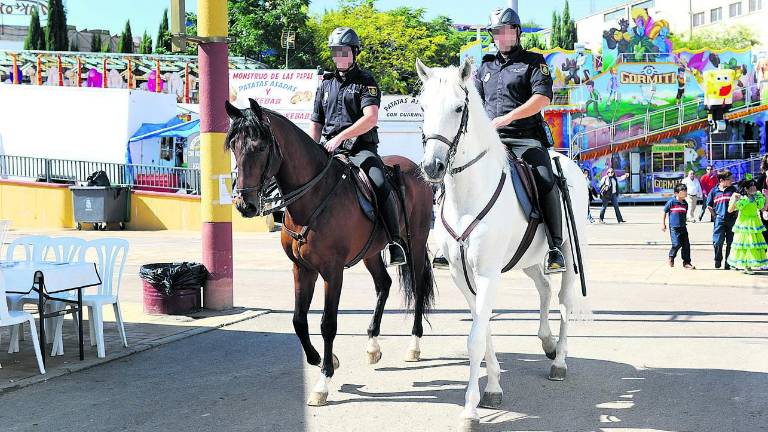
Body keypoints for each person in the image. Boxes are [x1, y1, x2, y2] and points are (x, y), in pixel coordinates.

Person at [474, 7, 565, 273]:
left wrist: (509, 117)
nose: (501, 37)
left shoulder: (534, 62)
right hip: (492, 140)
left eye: (506, 31)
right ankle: (452, 241)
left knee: (545, 180)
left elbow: (542, 99)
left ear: (517, 31)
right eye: (496, 32)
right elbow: (477, 104)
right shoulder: (485, 66)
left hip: (526, 139)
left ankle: (555, 247)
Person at [310, 27, 406, 266]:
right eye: (335, 52)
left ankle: (394, 242)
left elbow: (370, 118)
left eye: (344, 51)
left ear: (354, 52)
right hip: (330, 149)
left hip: (360, 150)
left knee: (380, 183)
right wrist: (312, 151)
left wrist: (341, 137)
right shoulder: (325, 84)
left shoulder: (366, 82)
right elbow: (316, 122)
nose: (339, 56)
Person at [726, 176, 767, 274]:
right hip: (744, 223)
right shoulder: (742, 198)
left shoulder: (757, 197)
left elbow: (763, 208)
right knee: (746, 245)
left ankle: (748, 265)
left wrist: (766, 197)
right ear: (746, 188)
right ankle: (746, 266)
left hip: (755, 222)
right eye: (751, 187)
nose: (754, 188)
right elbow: (730, 210)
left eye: (754, 187)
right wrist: (735, 200)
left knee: (753, 245)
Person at [705, 169, 738, 269]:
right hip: (719, 219)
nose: (731, 180)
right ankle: (718, 259)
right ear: (721, 180)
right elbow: (709, 205)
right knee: (717, 242)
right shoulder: (714, 191)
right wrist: (715, 216)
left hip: (732, 220)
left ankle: (728, 263)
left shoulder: (733, 190)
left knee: (731, 242)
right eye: (729, 179)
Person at [662, 184, 695, 269]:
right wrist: (663, 224)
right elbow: (664, 212)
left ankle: (686, 262)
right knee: (676, 244)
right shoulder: (671, 202)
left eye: (685, 192)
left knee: (686, 245)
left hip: (683, 227)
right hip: (674, 227)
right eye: (683, 192)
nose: (685, 193)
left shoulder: (685, 204)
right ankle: (671, 256)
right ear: (676, 193)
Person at [756, 154, 768, 247]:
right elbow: (757, 193)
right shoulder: (762, 177)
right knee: (765, 230)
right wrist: (762, 209)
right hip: (765, 208)